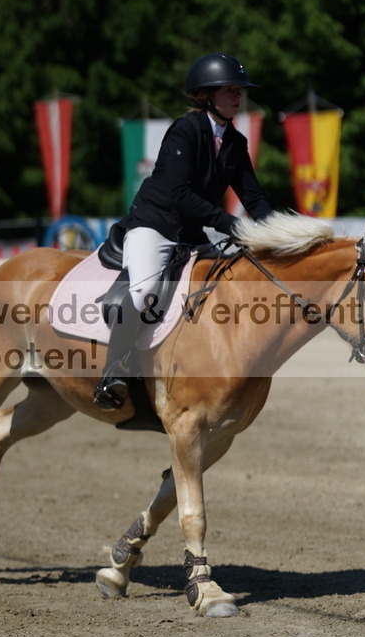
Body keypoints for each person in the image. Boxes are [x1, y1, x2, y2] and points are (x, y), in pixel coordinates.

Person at [93, 52, 274, 410]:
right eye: (230, 90)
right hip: (154, 226)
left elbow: (255, 199)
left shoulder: (235, 143)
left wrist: (288, 232)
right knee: (146, 294)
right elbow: (178, 195)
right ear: (207, 95)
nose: (238, 97)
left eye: (240, 90)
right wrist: (229, 224)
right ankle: (113, 372)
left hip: (191, 234)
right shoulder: (186, 130)